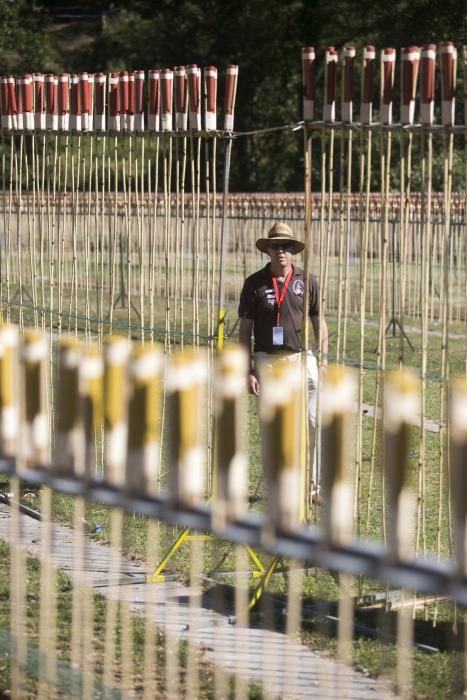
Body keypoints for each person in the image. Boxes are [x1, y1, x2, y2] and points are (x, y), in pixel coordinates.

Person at [238, 221, 328, 497]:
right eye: (276, 246)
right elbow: (244, 332)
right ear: (268, 251)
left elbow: (319, 323)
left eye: (286, 246)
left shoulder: (307, 280)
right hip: (268, 360)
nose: (281, 251)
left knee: (314, 420)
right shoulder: (254, 284)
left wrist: (322, 360)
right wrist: (248, 370)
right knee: (273, 426)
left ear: (293, 251)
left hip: (302, 358)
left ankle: (314, 487)